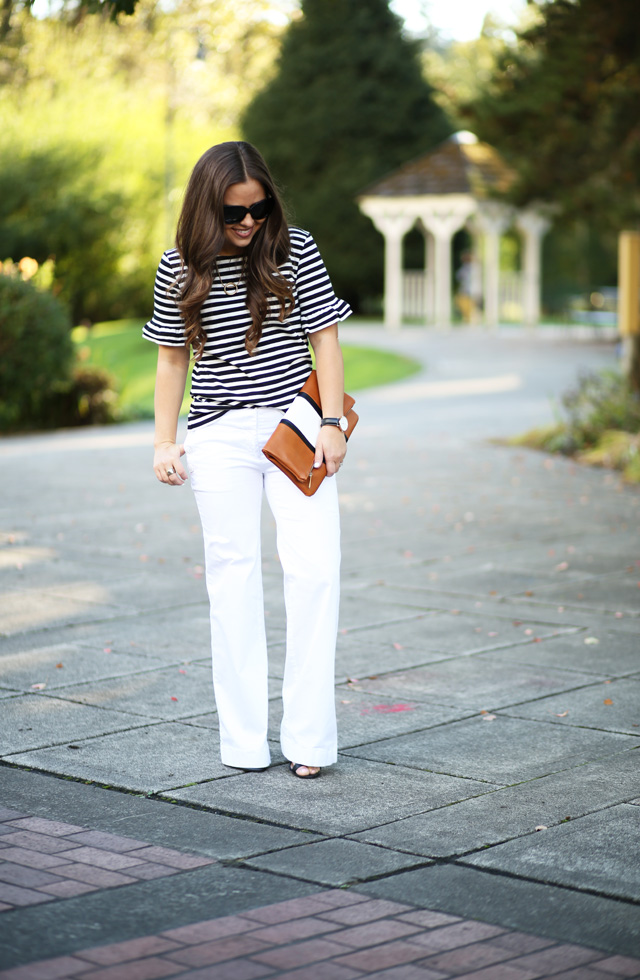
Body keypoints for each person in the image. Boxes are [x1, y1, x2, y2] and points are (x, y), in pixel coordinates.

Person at [143, 141, 351, 779]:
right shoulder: (179, 266)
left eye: (258, 209)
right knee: (231, 581)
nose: (248, 223)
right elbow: (172, 357)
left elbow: (327, 338)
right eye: (234, 213)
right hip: (218, 435)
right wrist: (163, 440)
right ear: (207, 209)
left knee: (315, 569)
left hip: (297, 425)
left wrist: (335, 422)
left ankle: (310, 744)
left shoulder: (295, 248)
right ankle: (242, 744)